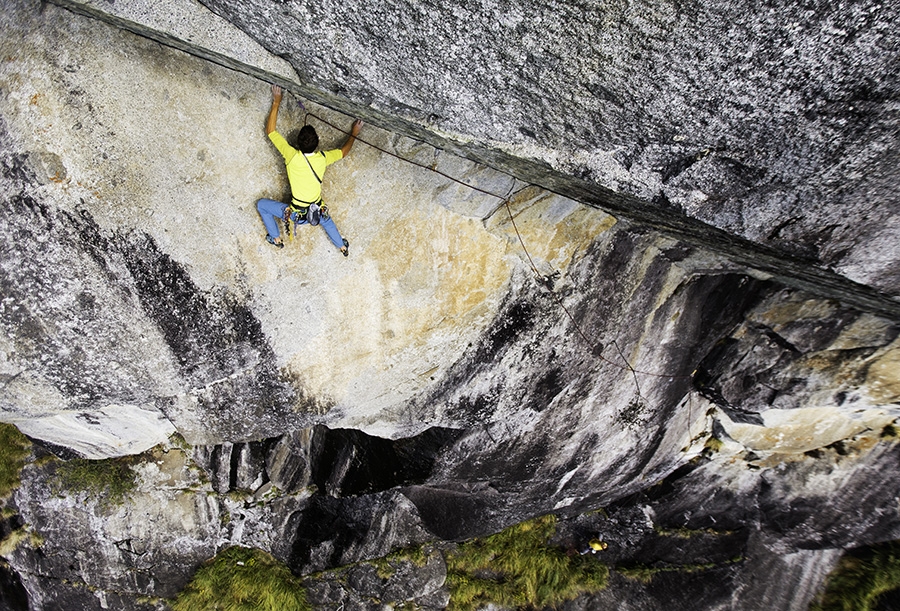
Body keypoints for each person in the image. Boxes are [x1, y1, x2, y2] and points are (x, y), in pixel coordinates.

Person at [256, 84, 362, 255]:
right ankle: (342, 246)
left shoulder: (292, 155)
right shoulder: (322, 159)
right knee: (326, 221)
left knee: (262, 205)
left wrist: (277, 102)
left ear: (297, 143)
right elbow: (344, 151)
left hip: (295, 214)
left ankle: (275, 237)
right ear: (317, 143)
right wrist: (355, 133)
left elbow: (271, 132)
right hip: (316, 211)